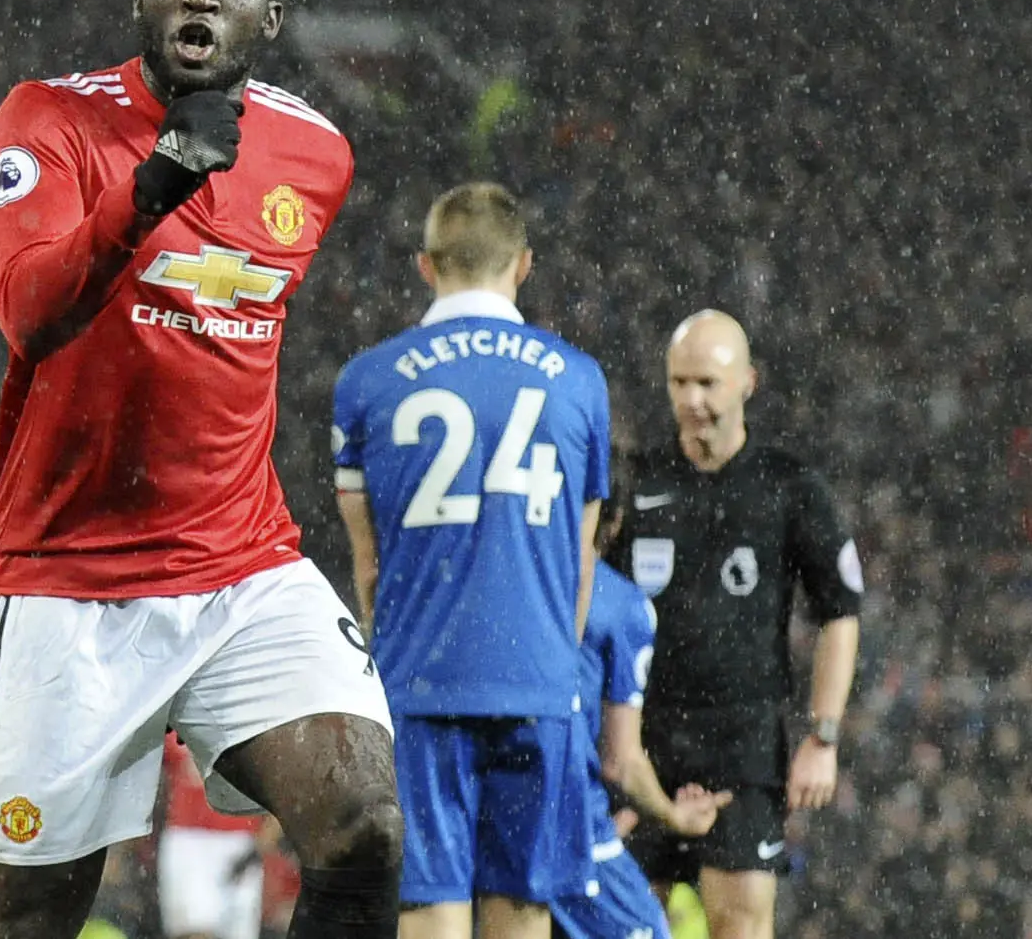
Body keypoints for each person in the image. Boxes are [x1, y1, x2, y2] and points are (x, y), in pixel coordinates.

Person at [0, 0, 401, 939]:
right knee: (28, 915)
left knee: (369, 826)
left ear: (269, 17)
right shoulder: (46, 119)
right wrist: (149, 188)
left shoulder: (315, 153)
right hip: (68, 579)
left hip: (239, 564)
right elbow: (29, 313)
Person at [330, 183, 611, 939]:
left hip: (422, 680)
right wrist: (555, 666)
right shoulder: (579, 380)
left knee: (427, 910)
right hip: (539, 683)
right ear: (523, 266)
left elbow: (369, 566)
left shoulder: (368, 382)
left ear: (425, 266)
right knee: (522, 911)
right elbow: (582, 562)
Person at [603, 311, 864, 939]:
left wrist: (823, 738)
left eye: (708, 384)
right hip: (643, 742)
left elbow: (841, 610)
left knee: (741, 924)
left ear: (747, 382)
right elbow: (590, 609)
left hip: (743, 749)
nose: (692, 400)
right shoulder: (637, 483)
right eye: (679, 382)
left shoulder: (788, 487)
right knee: (625, 923)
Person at [551, 551, 730, 939]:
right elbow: (622, 762)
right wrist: (672, 814)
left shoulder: (501, 577)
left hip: (474, 813)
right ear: (610, 522)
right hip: (570, 826)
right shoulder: (618, 600)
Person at [158, 737, 278, 939]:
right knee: (192, 931)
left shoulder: (254, 727)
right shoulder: (176, 725)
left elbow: (278, 780)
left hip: (240, 842)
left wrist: (268, 835)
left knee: (239, 933)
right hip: (188, 841)